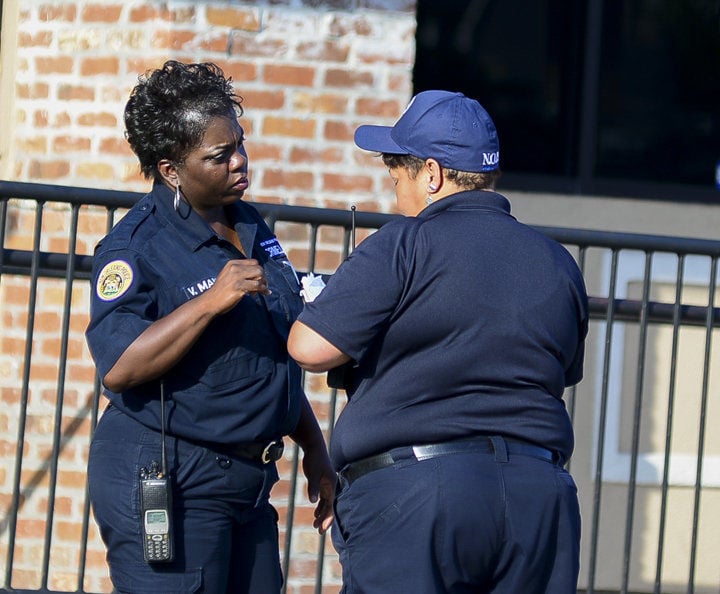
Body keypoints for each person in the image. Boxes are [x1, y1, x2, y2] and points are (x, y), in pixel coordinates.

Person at [287, 90, 589, 594]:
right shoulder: (557, 262)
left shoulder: (404, 243)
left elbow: (309, 348)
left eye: (397, 175)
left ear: (432, 174)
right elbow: (561, 371)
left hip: (421, 498)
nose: (394, 189)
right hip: (540, 498)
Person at [85, 60, 335, 594]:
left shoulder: (248, 222)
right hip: (172, 477)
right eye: (220, 156)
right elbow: (120, 366)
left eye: (240, 144)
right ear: (171, 170)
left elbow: (265, 354)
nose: (240, 162)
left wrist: (314, 447)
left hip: (248, 481)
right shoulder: (135, 249)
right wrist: (206, 304)